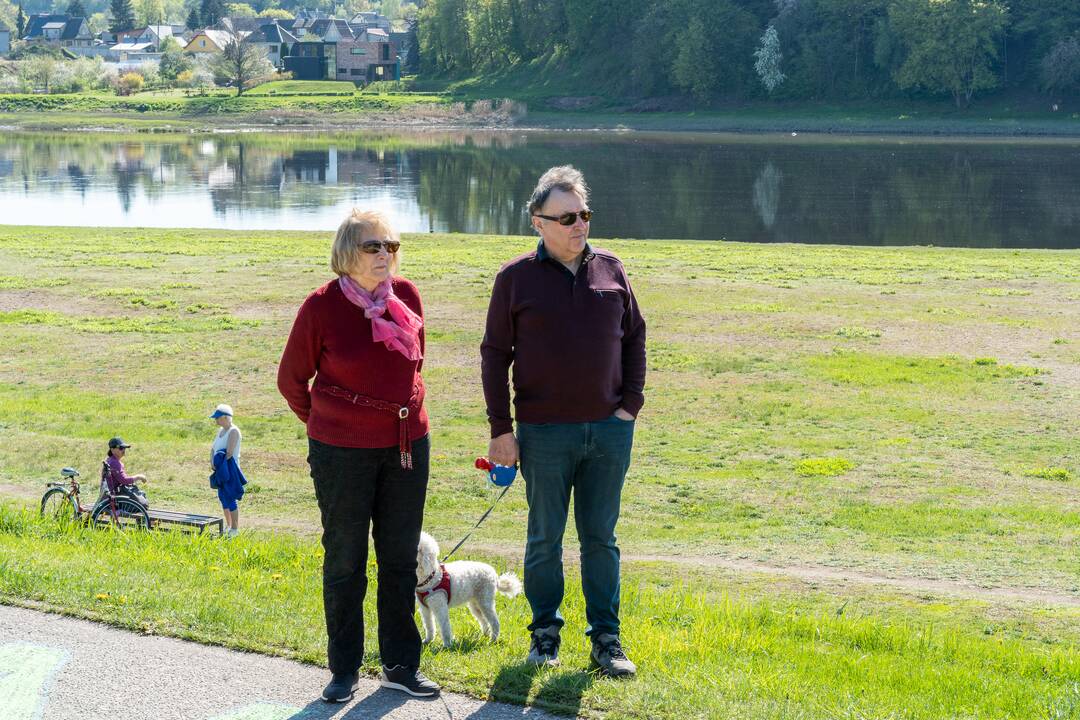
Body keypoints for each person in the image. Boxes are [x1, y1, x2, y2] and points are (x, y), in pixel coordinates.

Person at [480, 165, 646, 677]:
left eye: (585, 214)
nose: (580, 225)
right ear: (538, 222)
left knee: (601, 538)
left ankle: (607, 642)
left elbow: (635, 337)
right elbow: (493, 356)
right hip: (544, 434)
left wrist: (629, 407)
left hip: (609, 432)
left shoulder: (612, 270)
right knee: (544, 538)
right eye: (568, 216)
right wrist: (501, 430)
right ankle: (545, 637)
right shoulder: (515, 280)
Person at [277, 209, 439, 703]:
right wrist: (329, 424)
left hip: (407, 448)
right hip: (340, 453)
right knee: (346, 560)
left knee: (398, 557)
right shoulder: (320, 307)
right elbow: (291, 381)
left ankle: (399, 666)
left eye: (391, 246)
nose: (386, 255)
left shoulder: (406, 298)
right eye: (374, 247)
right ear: (347, 254)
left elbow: (414, 365)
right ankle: (344, 668)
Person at [209, 403, 245, 538]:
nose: (216, 420)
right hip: (220, 468)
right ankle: (228, 527)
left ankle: (235, 530)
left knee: (230, 499)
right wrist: (212, 462)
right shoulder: (220, 431)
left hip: (229, 469)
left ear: (225, 417)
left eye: (218, 417)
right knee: (223, 498)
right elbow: (213, 449)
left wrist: (218, 461)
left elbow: (229, 453)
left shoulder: (233, 431)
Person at [103, 437, 149, 507]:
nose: (123, 450)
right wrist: (139, 477)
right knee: (142, 503)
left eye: (124, 448)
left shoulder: (110, 460)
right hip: (114, 499)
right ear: (112, 449)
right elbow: (124, 480)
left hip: (109, 496)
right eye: (121, 448)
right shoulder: (114, 462)